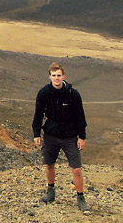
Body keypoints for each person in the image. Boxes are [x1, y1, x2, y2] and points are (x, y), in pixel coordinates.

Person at [32, 62, 89, 211]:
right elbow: (38, 114)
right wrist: (36, 133)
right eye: (53, 76)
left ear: (63, 76)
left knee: (76, 169)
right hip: (51, 134)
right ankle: (50, 192)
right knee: (49, 164)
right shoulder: (44, 93)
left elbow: (80, 116)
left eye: (58, 75)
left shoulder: (73, 94)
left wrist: (82, 137)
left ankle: (80, 198)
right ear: (49, 77)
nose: (56, 78)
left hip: (69, 135)